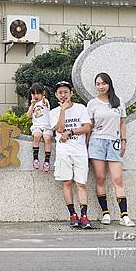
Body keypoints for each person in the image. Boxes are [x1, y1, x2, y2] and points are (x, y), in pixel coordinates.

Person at [87, 72, 135, 227]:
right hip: (97, 143)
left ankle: (124, 215)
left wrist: (124, 141)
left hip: (114, 143)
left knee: (117, 179)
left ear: (109, 84)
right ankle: (105, 213)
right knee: (100, 178)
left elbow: (122, 123)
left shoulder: (118, 101)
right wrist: (86, 145)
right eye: (98, 84)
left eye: (104, 83)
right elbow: (90, 126)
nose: (101, 86)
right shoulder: (92, 104)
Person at [49, 81, 92, 228]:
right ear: (56, 95)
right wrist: (63, 110)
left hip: (80, 151)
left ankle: (84, 215)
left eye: (65, 92)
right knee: (67, 182)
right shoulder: (53, 112)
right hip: (63, 151)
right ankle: (72, 214)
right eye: (60, 93)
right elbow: (59, 129)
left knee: (81, 183)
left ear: (71, 93)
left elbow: (87, 127)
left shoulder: (81, 108)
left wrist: (71, 132)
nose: (63, 95)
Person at [27, 82, 53, 172]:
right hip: (37, 126)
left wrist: (44, 99)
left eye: (38, 93)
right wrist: (32, 104)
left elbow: (45, 103)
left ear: (43, 93)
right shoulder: (32, 104)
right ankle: (35, 158)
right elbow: (28, 115)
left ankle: (47, 161)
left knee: (47, 138)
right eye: (33, 93)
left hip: (47, 127)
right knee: (37, 135)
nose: (36, 96)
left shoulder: (45, 101)